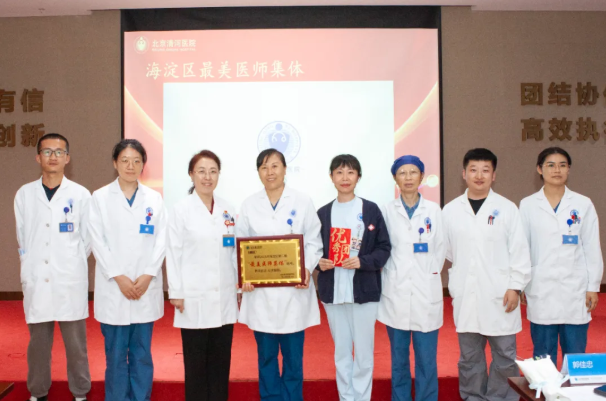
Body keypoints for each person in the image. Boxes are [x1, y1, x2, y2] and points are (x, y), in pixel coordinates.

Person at [442, 148, 531, 401]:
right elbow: (447, 251)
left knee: (504, 356)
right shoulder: (450, 210)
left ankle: (500, 398)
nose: (479, 175)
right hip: (466, 295)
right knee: (469, 357)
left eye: (485, 170)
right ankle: (473, 397)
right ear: (464, 174)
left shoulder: (507, 208)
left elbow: (520, 251)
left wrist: (515, 286)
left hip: (501, 294)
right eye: (473, 170)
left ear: (494, 175)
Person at [236, 148, 322, 401]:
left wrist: (306, 270)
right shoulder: (249, 204)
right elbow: (240, 246)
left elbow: (314, 242)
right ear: (258, 172)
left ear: (285, 169)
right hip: (260, 296)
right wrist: (244, 278)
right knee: (266, 358)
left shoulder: (302, 201)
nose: (270, 172)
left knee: (294, 359)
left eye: (274, 166)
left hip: (294, 293)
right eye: (264, 167)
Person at [14, 133, 92, 401]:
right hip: (38, 279)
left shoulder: (80, 194)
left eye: (59, 152)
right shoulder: (25, 194)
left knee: (76, 346)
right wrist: (31, 266)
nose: (53, 157)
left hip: (69, 279)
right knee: (38, 345)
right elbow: (22, 237)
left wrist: (70, 261)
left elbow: (87, 240)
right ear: (38, 157)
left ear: (67, 158)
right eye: (47, 152)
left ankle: (80, 392)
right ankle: (38, 392)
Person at [88, 139, 166, 401]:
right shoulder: (99, 198)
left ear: (144, 165)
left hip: (145, 287)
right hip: (114, 288)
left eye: (136, 161)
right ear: (115, 163)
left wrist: (148, 275)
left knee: (142, 354)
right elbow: (97, 241)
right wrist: (118, 277)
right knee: (116, 356)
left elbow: (162, 240)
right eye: (124, 160)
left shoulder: (154, 198)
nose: (130, 166)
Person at [316, 154, 391, 401]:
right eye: (339, 172)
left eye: (350, 172)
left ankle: (362, 397)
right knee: (341, 352)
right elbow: (313, 249)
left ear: (358, 176)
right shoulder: (323, 213)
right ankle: (346, 397)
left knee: (364, 353)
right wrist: (318, 262)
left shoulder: (370, 210)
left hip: (364, 291)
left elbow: (384, 248)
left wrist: (362, 261)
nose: (345, 177)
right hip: (333, 291)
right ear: (331, 177)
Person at [519, 147, 603, 366]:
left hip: (575, 290)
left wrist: (593, 286)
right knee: (542, 357)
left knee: (575, 356)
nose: (557, 170)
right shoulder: (528, 205)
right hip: (541, 288)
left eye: (562, 165)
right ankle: (545, 388)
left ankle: (572, 388)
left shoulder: (583, 204)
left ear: (569, 169)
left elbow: (592, 247)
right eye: (550, 165)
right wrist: (521, 283)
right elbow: (522, 248)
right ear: (539, 169)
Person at [166, 150, 238, 401]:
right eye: (202, 171)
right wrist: (176, 291)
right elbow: (173, 252)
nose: (208, 177)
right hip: (193, 297)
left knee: (220, 364)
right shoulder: (180, 209)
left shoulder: (228, 209)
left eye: (213, 171)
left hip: (224, 296)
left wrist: (239, 286)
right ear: (191, 174)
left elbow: (234, 252)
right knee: (196, 366)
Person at [378, 155, 446, 401]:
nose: (408, 177)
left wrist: (426, 274)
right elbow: (382, 248)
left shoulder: (434, 210)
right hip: (395, 293)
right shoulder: (386, 211)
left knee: (427, 360)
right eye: (402, 173)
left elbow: (440, 249)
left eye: (413, 172)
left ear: (421, 177)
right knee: (399, 360)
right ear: (395, 178)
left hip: (425, 293)